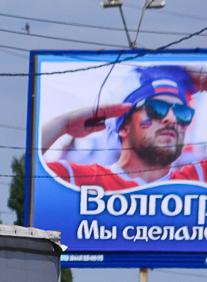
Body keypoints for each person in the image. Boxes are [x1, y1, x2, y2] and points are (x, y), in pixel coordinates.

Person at [41, 65, 207, 190]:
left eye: (182, 113)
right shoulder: (78, 179)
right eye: (157, 109)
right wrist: (63, 124)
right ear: (124, 127)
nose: (171, 119)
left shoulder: (198, 179)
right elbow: (26, 171)